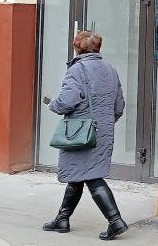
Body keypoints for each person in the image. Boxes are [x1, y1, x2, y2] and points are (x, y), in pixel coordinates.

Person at [42, 31, 128, 241]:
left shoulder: (76, 70)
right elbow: (119, 106)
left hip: (81, 133)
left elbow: (66, 102)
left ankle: (116, 221)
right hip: (103, 131)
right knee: (79, 174)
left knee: (92, 176)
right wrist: (105, 123)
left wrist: (52, 105)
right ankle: (62, 219)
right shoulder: (110, 69)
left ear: (77, 49)